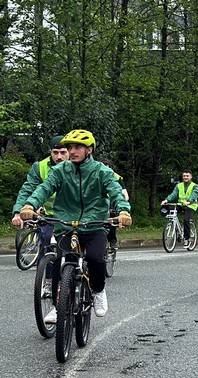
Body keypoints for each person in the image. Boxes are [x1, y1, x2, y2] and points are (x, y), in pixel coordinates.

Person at [19, 129, 132, 319]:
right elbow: (44, 189)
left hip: (94, 225)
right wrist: (30, 204)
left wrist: (123, 210)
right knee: (59, 262)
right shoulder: (60, 171)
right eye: (70, 147)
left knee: (96, 259)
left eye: (78, 147)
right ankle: (58, 305)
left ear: (89, 150)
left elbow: (115, 191)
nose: (72, 151)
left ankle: (98, 291)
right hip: (66, 225)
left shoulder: (101, 171)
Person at [12, 135, 69, 255]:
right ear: (50, 152)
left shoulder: (78, 166)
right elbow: (27, 190)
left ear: (69, 151)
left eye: (63, 152)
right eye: (55, 152)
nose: (59, 156)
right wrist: (18, 213)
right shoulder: (40, 166)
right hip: (48, 215)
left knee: (75, 251)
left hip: (71, 216)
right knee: (45, 246)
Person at [161, 170, 198, 248]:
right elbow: (174, 194)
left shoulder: (195, 186)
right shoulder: (179, 185)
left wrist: (188, 201)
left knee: (186, 220)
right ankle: (175, 228)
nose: (185, 177)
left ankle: (187, 239)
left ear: (191, 177)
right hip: (180, 204)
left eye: (187, 176)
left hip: (191, 206)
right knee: (171, 213)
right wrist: (166, 200)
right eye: (184, 176)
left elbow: (194, 195)